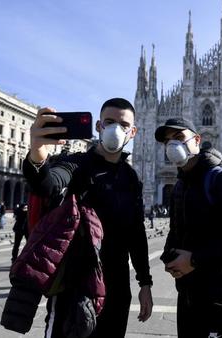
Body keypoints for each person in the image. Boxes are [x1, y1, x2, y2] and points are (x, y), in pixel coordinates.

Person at [23, 98, 153, 337]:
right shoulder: (75, 164)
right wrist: (38, 154)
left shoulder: (131, 178)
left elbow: (136, 233)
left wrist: (145, 282)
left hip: (117, 285)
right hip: (75, 284)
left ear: (133, 132)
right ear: (99, 127)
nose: (116, 129)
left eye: (124, 125)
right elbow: (48, 184)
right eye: (109, 122)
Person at [154, 117, 222, 338]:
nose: (172, 145)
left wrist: (194, 260)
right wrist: (170, 257)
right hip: (189, 293)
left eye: (179, 137)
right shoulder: (181, 184)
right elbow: (176, 232)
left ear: (197, 140)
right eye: (167, 142)